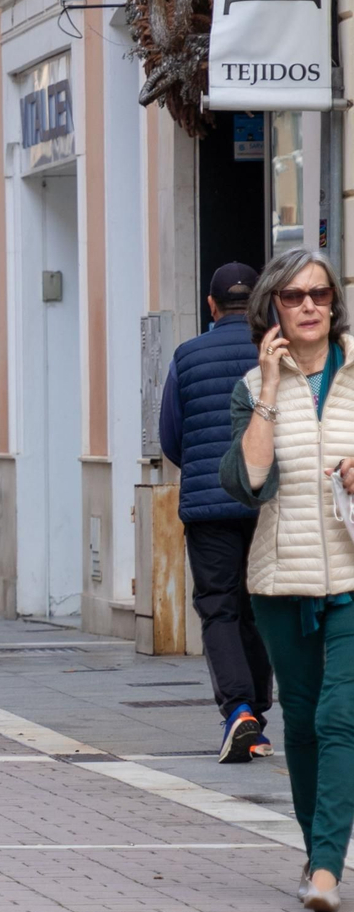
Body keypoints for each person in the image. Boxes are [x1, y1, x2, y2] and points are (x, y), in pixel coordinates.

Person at [220, 247, 354, 912]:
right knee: (299, 722)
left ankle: (327, 870)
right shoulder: (251, 386)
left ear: (335, 303)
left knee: (339, 716)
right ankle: (314, 852)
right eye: (296, 296)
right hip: (281, 579)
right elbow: (250, 481)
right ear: (272, 307)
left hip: (353, 576)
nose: (310, 306)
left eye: (321, 295)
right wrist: (271, 391)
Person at [160, 262, 274, 764]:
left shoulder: (187, 356)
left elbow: (171, 436)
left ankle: (239, 711)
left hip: (208, 506)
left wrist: (209, 471)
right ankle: (259, 718)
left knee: (218, 607)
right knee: (261, 606)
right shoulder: (275, 353)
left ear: (210, 306)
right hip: (266, 500)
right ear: (259, 304)